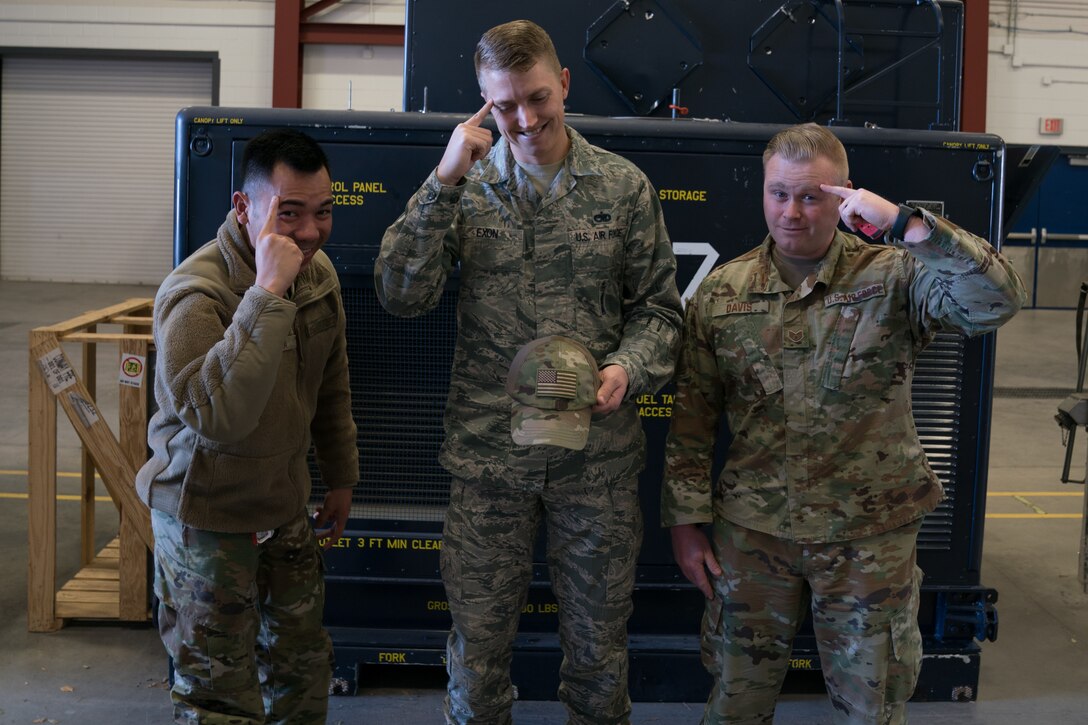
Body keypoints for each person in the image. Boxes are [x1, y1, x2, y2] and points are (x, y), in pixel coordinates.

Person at [661, 123, 1026, 724]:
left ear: (844, 195)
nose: (792, 212)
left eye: (811, 195)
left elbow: (997, 299)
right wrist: (685, 524)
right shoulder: (723, 293)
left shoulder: (895, 276)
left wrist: (906, 225)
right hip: (754, 535)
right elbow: (693, 422)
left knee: (871, 705)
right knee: (735, 697)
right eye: (779, 193)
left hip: (869, 536)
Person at [375, 19, 683, 725]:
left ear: (564, 83)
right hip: (490, 464)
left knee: (599, 653)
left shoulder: (623, 189)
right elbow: (401, 294)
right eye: (505, 104)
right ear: (482, 101)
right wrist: (443, 179)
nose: (526, 118)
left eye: (538, 96)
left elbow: (661, 315)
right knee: (478, 655)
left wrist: (625, 370)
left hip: (595, 466)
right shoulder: (465, 186)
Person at [136, 128, 358, 724]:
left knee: (303, 671)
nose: (309, 233)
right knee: (218, 692)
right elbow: (220, 417)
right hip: (205, 518)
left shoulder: (320, 276)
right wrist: (266, 292)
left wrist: (341, 478)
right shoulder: (195, 294)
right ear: (244, 207)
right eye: (289, 214)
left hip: (283, 506)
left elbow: (331, 389)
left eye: (322, 213)